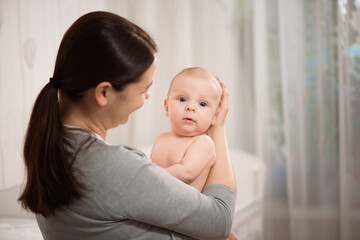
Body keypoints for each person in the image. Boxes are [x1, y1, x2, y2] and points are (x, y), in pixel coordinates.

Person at [18, 11, 237, 240]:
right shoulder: (113, 166)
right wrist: (218, 126)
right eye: (144, 89)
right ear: (104, 93)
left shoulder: (49, 146)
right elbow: (220, 221)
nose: (146, 98)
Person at [151, 67, 222, 192]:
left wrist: (148, 175)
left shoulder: (203, 142)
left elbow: (187, 173)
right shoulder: (161, 138)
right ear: (167, 107)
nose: (190, 107)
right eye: (182, 99)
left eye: (202, 104)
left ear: (214, 117)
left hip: (181, 209)